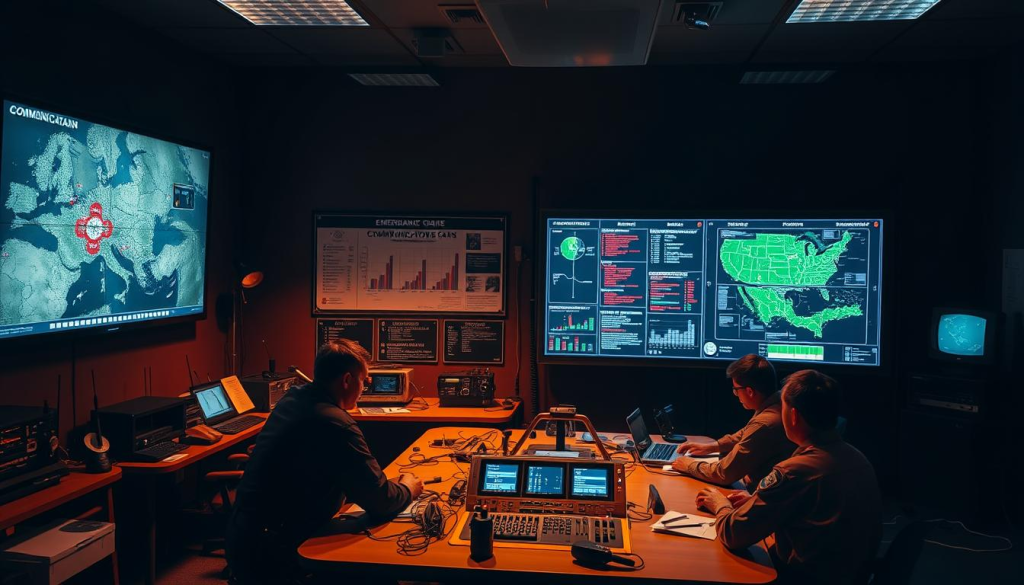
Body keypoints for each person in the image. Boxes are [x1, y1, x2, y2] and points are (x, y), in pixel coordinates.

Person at [226, 339, 424, 584]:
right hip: (276, 554)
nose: (364, 388)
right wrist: (408, 487)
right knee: (380, 567)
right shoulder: (334, 423)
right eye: (364, 380)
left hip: (246, 539)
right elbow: (381, 500)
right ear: (347, 381)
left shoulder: (294, 400)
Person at [695, 370, 881, 585]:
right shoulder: (857, 457)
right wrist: (758, 502)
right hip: (848, 575)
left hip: (801, 577)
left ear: (792, 416)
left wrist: (720, 504)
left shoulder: (794, 470)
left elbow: (734, 534)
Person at [672, 354, 795, 488]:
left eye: (736, 390)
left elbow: (723, 474)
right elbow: (746, 433)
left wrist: (688, 465)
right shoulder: (779, 403)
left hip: (756, 494)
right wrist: (713, 446)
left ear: (749, 391)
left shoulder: (765, 423)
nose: (735, 395)